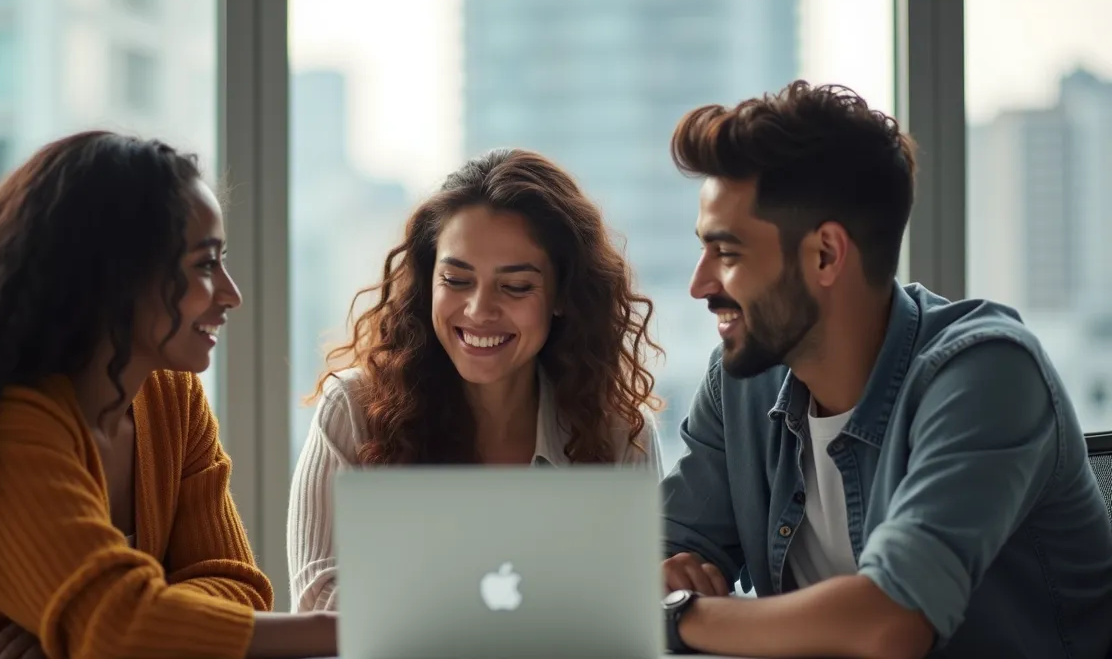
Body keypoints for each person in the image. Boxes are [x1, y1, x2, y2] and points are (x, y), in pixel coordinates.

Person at [0, 131, 337, 658]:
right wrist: (343, 627)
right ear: (113, 275)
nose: (232, 294)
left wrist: (88, 630)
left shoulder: (172, 398)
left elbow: (237, 586)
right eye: (204, 265)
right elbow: (119, 627)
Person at [656, 80, 1112, 658]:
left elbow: (890, 622)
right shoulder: (742, 382)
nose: (699, 285)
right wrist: (664, 586)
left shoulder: (987, 374)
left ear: (825, 254)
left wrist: (680, 618)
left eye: (727, 253)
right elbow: (655, 565)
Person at [287, 148, 664, 611]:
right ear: (429, 282)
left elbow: (637, 605)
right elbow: (318, 597)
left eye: (516, 286)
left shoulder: (621, 431)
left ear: (563, 294)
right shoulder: (353, 408)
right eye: (456, 279)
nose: (479, 311)